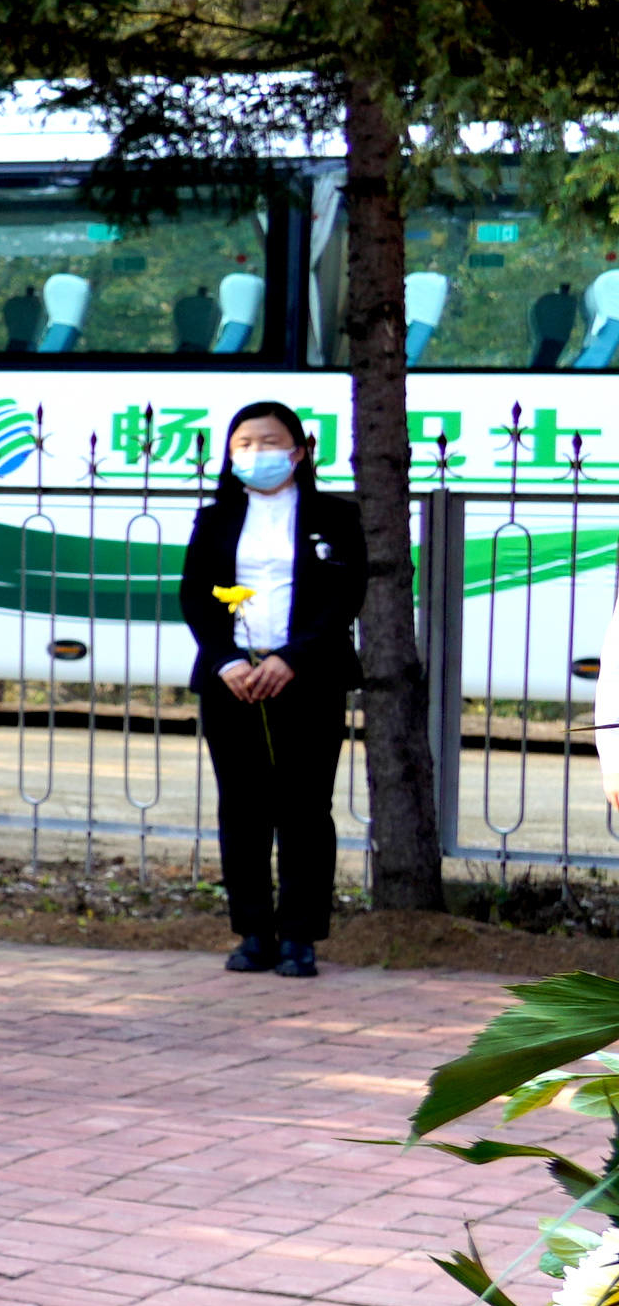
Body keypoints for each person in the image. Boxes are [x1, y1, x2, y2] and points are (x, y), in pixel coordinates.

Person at [188, 402, 364, 977]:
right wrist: (226, 661)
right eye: (244, 444)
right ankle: (253, 933)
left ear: (299, 451)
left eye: (269, 442)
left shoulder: (335, 517)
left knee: (305, 807)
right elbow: (196, 596)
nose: (256, 453)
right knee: (241, 807)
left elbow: (345, 596)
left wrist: (291, 658)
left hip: (308, 678)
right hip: (232, 683)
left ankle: (299, 937)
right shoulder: (215, 519)